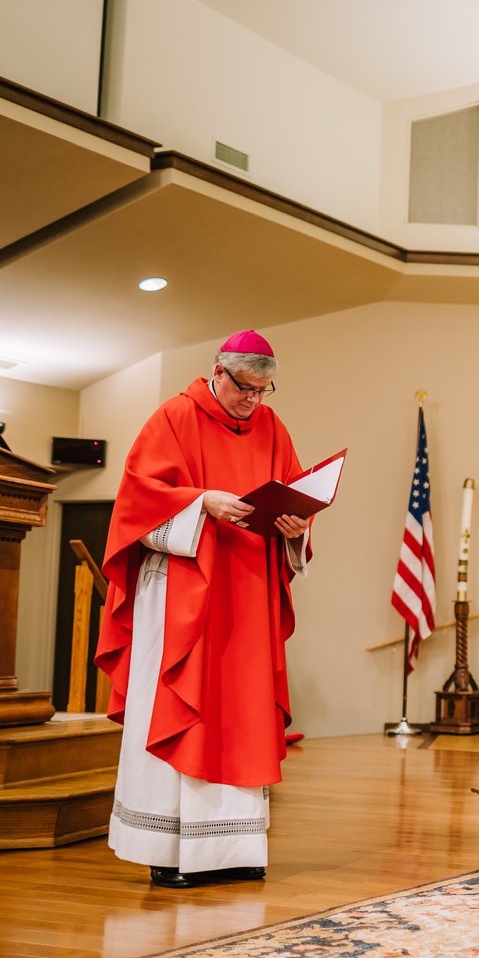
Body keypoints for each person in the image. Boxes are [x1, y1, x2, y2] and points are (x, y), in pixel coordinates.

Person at [96, 330, 312, 889]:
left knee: (241, 710)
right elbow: (135, 504)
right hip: (182, 589)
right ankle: (166, 847)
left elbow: (292, 492)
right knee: (179, 703)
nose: (254, 401)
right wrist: (201, 502)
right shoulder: (173, 417)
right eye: (245, 388)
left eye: (264, 390)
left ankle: (235, 849)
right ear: (218, 371)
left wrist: (297, 527)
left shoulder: (271, 426)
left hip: (247, 590)